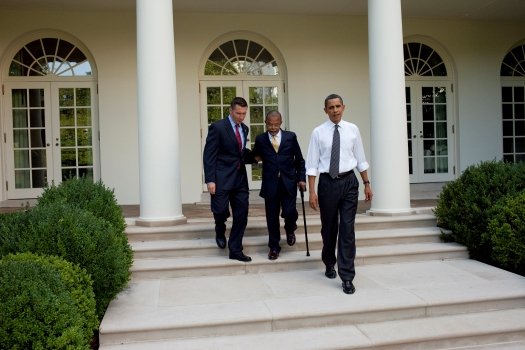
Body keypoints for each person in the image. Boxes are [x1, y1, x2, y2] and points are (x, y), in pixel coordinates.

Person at [305, 93, 373, 294]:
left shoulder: (353, 130)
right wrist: (312, 191)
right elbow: (312, 164)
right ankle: (328, 261)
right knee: (329, 229)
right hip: (327, 183)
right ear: (325, 110)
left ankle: (347, 276)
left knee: (347, 229)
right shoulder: (318, 132)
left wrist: (366, 183)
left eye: (337, 106)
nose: (334, 110)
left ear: (343, 107)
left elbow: (360, 158)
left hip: (349, 182)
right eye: (330, 107)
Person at [203, 97, 253, 262]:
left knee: (242, 214)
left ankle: (236, 250)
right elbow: (209, 155)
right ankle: (219, 229)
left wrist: (257, 156)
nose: (241, 116)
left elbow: (239, 152)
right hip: (221, 178)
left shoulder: (244, 128)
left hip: (240, 179)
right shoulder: (217, 128)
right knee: (220, 211)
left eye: (244, 113)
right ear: (231, 111)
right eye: (238, 113)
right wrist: (210, 180)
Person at [252, 110, 306, 260]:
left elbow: (300, 160)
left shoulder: (290, 137)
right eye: (270, 124)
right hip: (270, 184)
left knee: (289, 212)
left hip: (289, 182)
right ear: (266, 123)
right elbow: (256, 156)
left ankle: (290, 228)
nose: (273, 128)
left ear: (281, 123)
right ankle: (274, 247)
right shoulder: (261, 139)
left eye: (276, 124)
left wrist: (301, 178)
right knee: (271, 217)